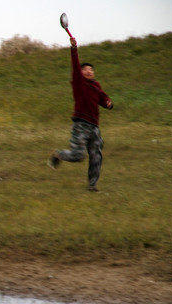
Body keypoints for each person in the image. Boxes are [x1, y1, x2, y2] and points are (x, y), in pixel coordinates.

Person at [48, 37, 113, 192]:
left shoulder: (96, 85)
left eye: (91, 69)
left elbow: (103, 98)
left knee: (96, 156)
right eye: (85, 69)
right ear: (81, 73)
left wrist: (108, 103)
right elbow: (75, 67)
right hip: (80, 125)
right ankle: (59, 155)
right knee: (78, 155)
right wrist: (74, 49)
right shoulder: (79, 82)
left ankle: (92, 185)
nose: (88, 71)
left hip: (94, 127)